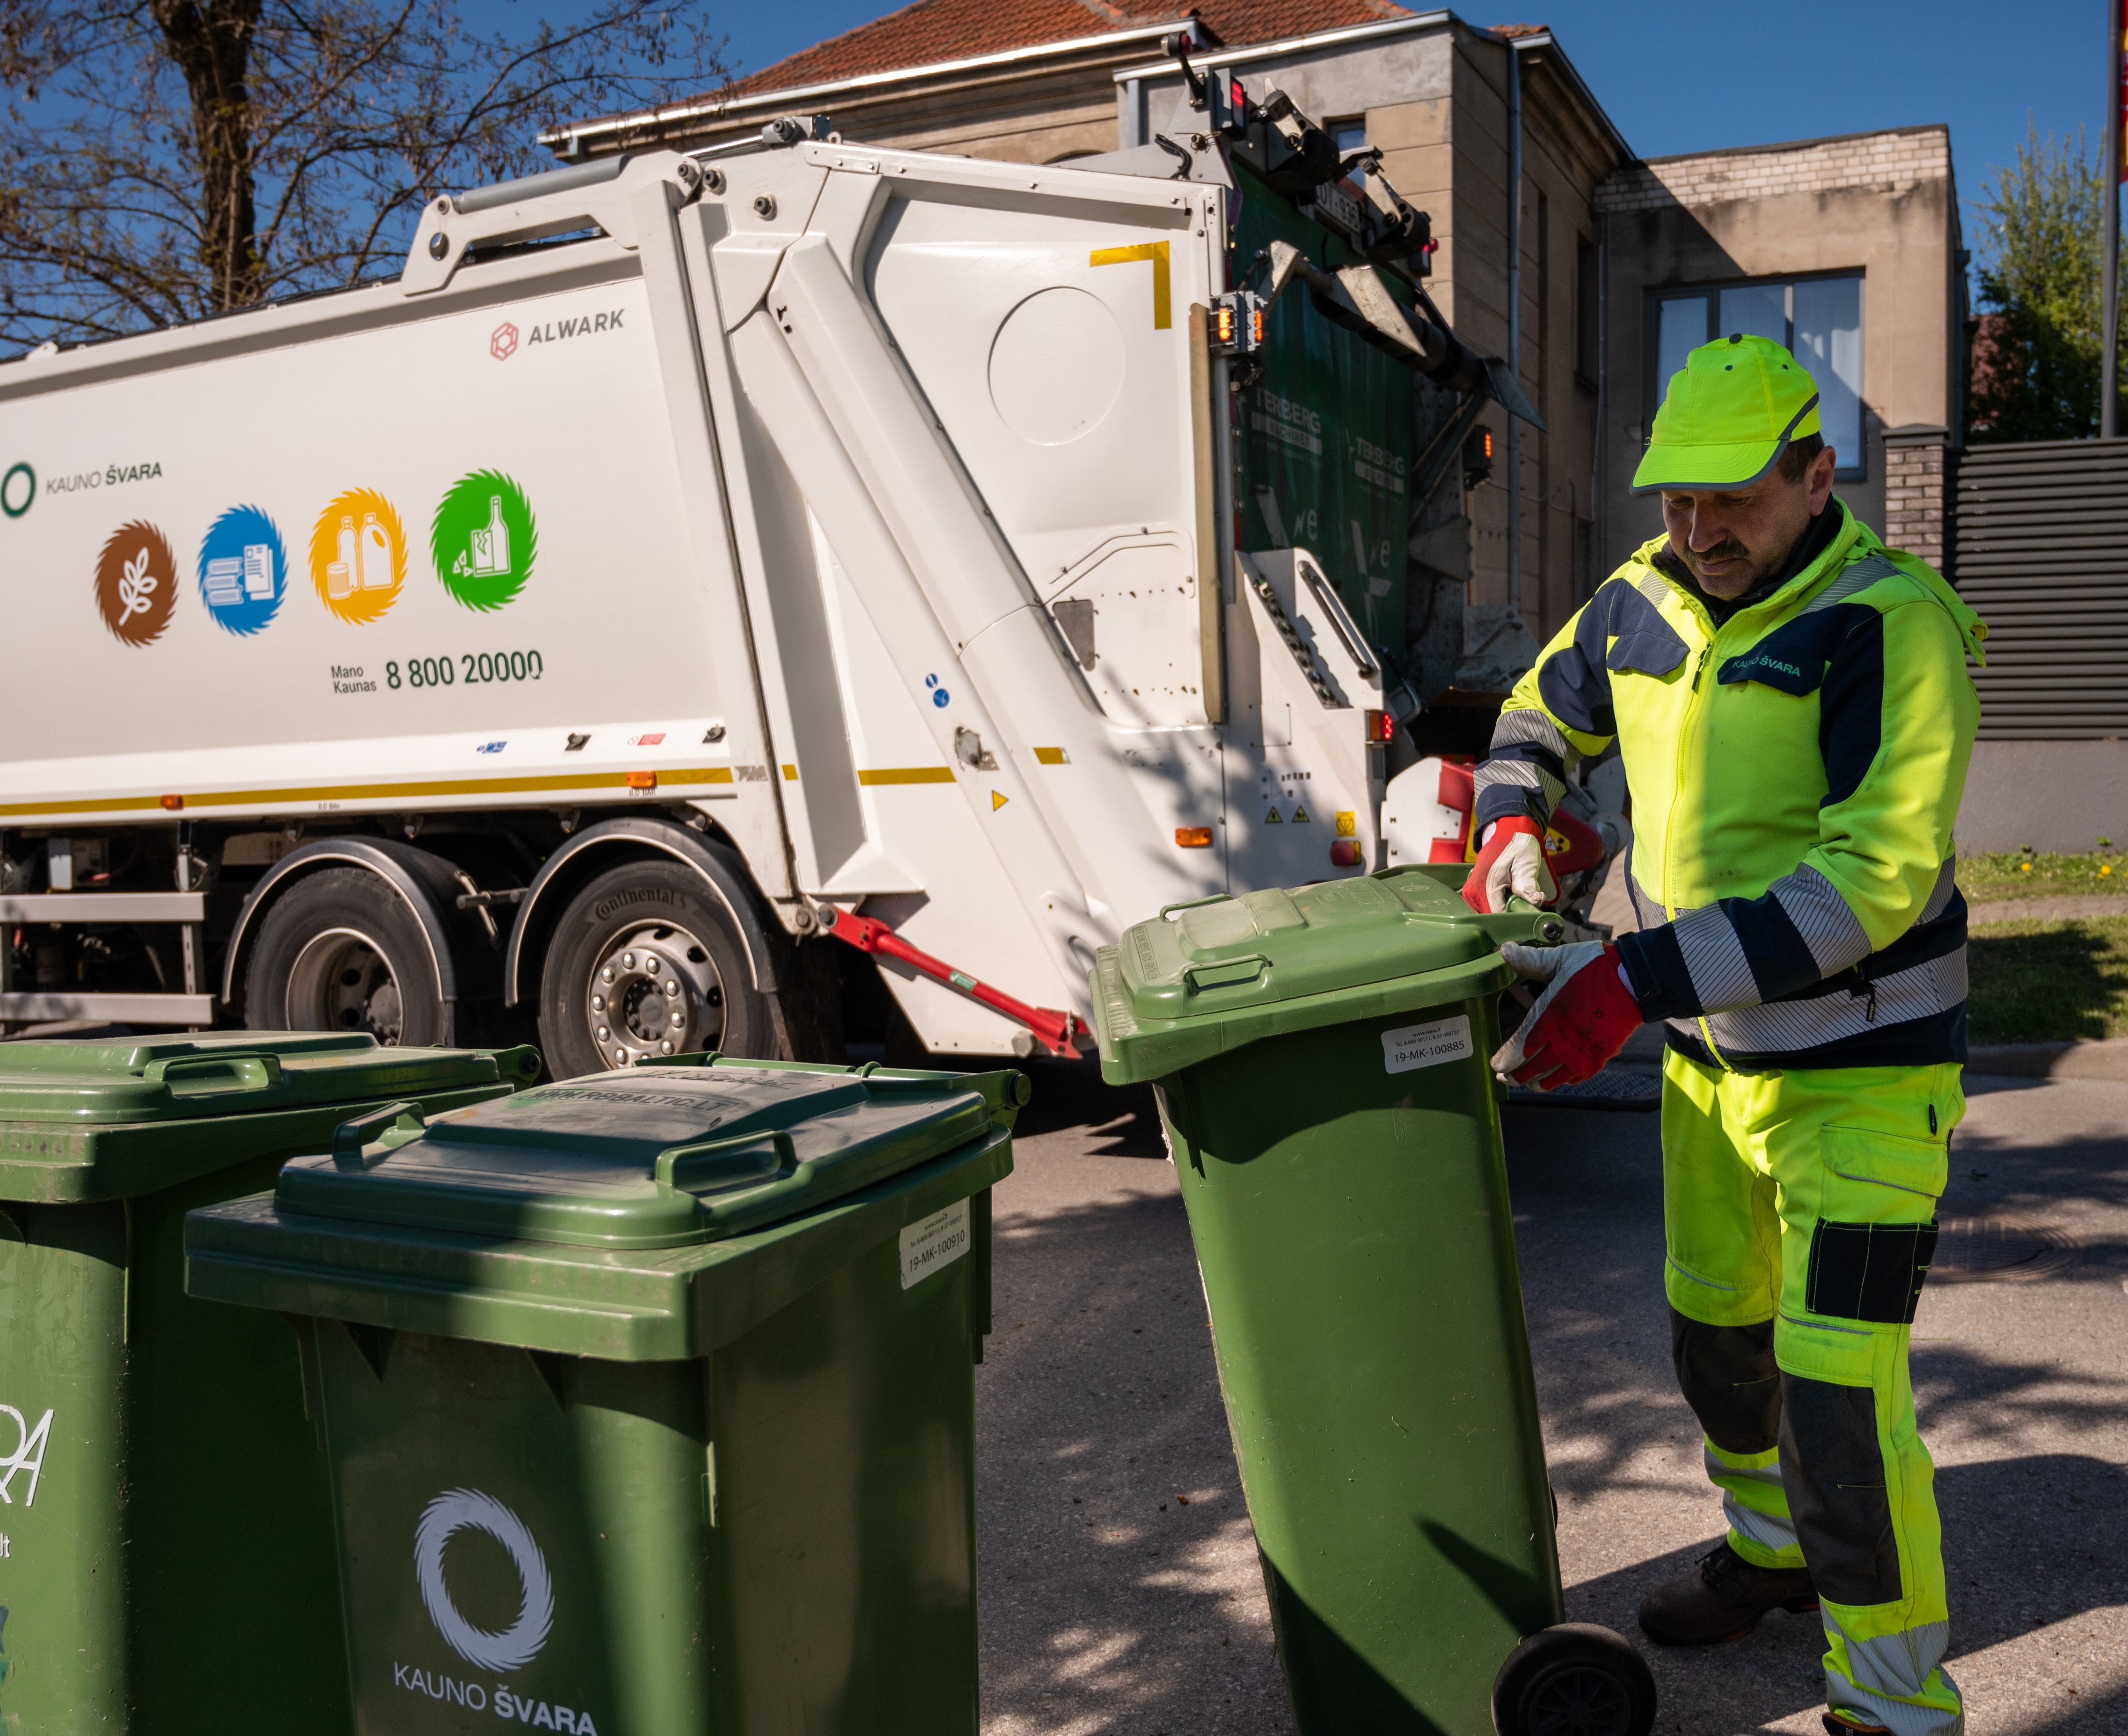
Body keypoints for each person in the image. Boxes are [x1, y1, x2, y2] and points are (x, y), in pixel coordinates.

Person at [1461, 334, 1985, 1736]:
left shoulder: (1890, 624)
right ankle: (1771, 1559)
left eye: (1732, 504)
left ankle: (1891, 1702)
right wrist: (1512, 813)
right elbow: (1536, 715)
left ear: (1816, 478)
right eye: (1675, 505)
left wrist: (1630, 979)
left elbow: (1871, 881)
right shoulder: (1637, 599)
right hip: (1710, 1073)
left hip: (1862, 1083)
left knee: (1834, 1399)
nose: (1698, 535)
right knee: (1717, 1346)